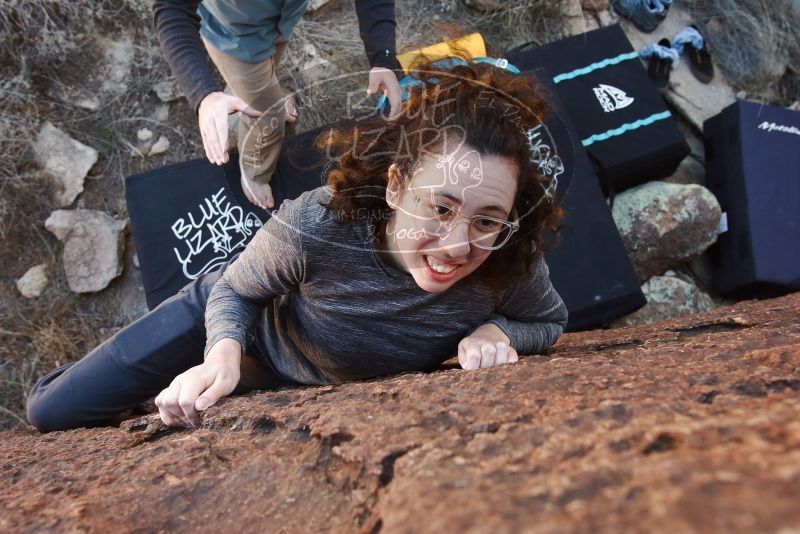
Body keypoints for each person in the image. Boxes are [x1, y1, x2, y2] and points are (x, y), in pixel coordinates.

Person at [26, 60, 567, 433]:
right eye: (441, 208)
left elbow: (549, 320)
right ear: (398, 186)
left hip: (301, 381)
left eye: (487, 219)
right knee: (51, 412)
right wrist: (223, 352)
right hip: (241, 320)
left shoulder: (509, 260)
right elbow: (238, 290)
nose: (455, 245)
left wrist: (498, 329)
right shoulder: (320, 221)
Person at [153, 0, 403, 209]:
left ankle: (261, 91)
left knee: (264, 80)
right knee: (267, 117)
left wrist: (383, 57)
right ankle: (253, 172)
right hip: (235, 39)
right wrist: (203, 94)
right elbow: (171, 8)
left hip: (279, 24)